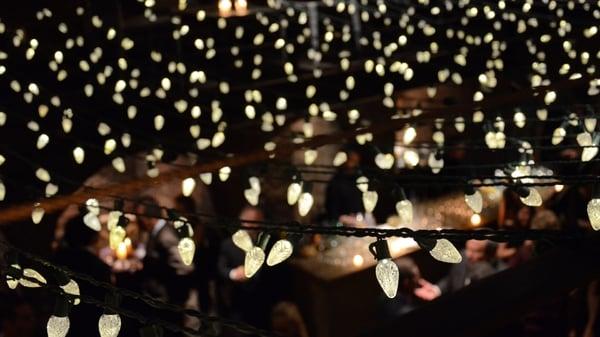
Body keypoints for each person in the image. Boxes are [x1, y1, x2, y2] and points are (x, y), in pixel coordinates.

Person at [54, 214, 112, 337]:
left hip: (61, 319)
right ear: (92, 237)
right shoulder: (97, 266)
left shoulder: (57, 259)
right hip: (90, 322)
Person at [217, 206, 271, 329]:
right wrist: (234, 274)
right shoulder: (228, 244)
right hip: (238, 301)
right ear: (241, 221)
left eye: (257, 222)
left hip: (262, 301)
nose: (253, 226)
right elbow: (221, 269)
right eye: (249, 221)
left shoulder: (266, 244)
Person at [136, 196, 193, 305]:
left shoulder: (165, 236)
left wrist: (171, 289)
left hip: (167, 299)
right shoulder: (155, 233)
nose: (139, 221)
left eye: (140, 217)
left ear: (148, 217)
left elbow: (185, 266)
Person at [415, 239, 497, 300]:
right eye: (468, 248)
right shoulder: (462, 256)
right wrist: (436, 290)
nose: (469, 255)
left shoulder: (490, 276)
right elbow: (452, 278)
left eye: (476, 251)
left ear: (488, 256)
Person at [325, 148, 365, 225]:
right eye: (352, 161)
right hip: (341, 225)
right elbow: (332, 208)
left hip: (356, 223)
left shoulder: (358, 180)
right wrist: (344, 218)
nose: (355, 165)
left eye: (356, 162)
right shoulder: (336, 182)